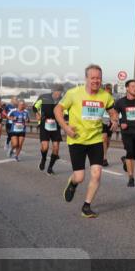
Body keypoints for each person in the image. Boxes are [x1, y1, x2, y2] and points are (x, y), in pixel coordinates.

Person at [55, 65, 118, 219]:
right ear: (86, 78)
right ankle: (73, 183)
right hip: (76, 139)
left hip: (96, 139)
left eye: (99, 78)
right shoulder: (73, 93)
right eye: (93, 78)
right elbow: (57, 109)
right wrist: (65, 127)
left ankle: (86, 206)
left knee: (96, 174)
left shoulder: (105, 96)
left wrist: (114, 119)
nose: (96, 81)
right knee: (80, 176)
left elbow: (111, 110)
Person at [113, 79, 135, 188]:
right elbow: (114, 114)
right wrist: (119, 122)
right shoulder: (120, 102)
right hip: (127, 131)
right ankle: (131, 177)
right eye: (132, 86)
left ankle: (125, 160)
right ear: (127, 88)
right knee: (130, 152)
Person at [33, 85, 64, 174]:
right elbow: (35, 107)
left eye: (60, 92)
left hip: (56, 126)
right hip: (44, 124)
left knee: (56, 148)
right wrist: (37, 114)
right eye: (57, 91)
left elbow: (66, 112)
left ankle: (50, 168)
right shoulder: (44, 97)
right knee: (45, 146)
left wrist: (63, 117)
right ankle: (43, 159)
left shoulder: (62, 100)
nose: (58, 93)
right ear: (53, 91)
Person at [100, 83, 114, 166]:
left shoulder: (113, 100)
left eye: (109, 91)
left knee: (108, 142)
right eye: (106, 91)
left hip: (110, 121)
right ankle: (104, 158)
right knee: (104, 139)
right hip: (102, 121)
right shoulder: (100, 99)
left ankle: (103, 153)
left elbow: (115, 111)